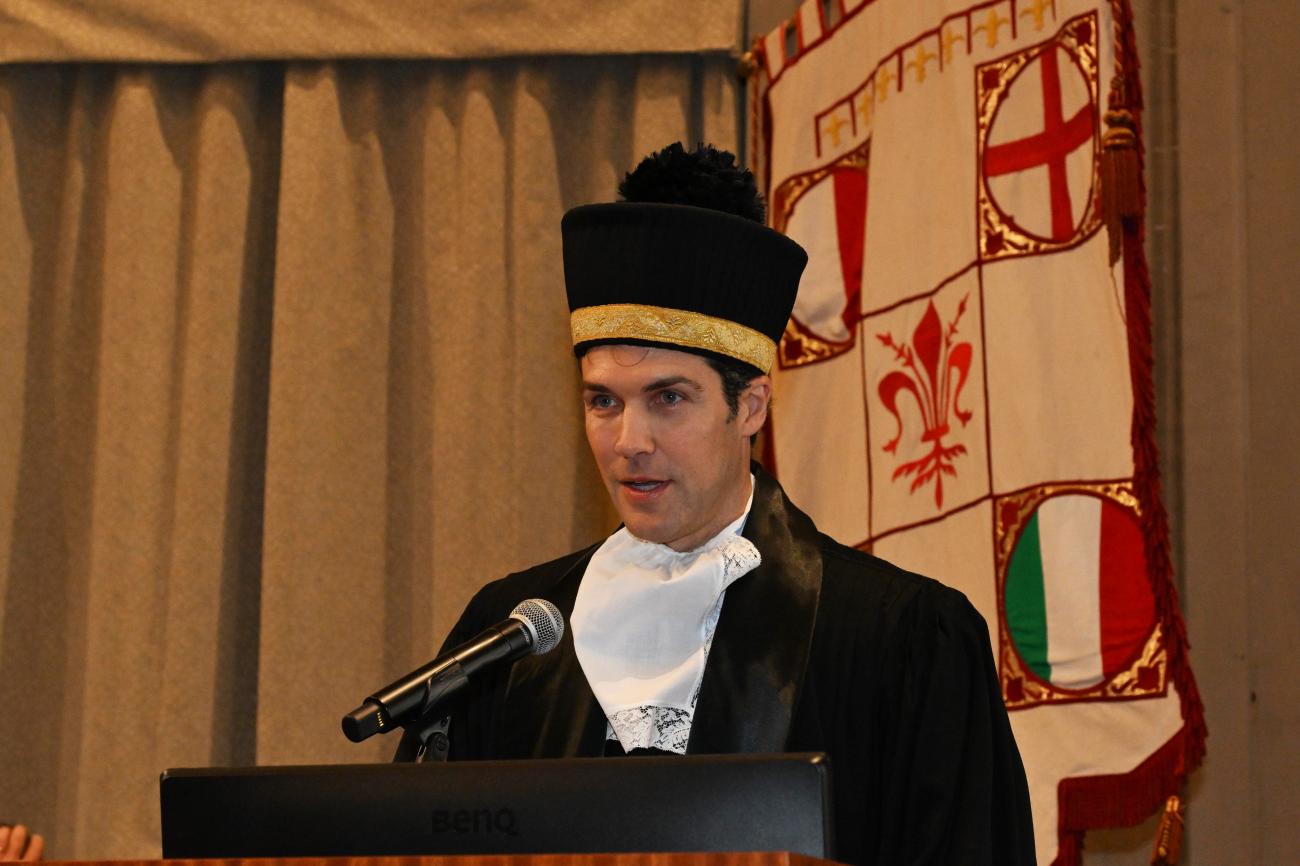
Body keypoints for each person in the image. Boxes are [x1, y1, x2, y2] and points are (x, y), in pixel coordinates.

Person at [400, 143, 1036, 865]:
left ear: (751, 405)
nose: (628, 441)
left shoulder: (901, 640)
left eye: (668, 398)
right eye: (603, 401)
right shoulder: (511, 638)